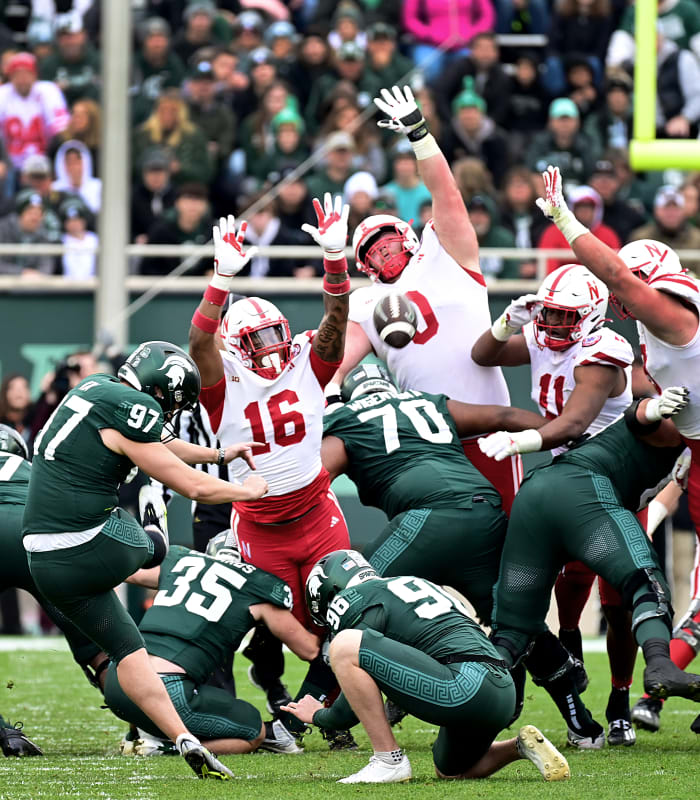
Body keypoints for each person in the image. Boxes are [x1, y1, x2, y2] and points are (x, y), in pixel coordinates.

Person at [22, 340, 268, 780]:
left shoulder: (97, 388)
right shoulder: (133, 408)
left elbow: (165, 444)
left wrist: (217, 455)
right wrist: (246, 491)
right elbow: (195, 488)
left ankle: (181, 738)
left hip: (43, 562)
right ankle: (154, 535)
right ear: (162, 390)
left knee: (129, 651)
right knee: (152, 544)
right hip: (86, 542)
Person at [536, 162, 700, 734]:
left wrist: (564, 219)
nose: (621, 301)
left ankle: (642, 695)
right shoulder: (652, 334)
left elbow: (619, 278)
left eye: (628, 288)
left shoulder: (675, 318)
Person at [188, 197, 356, 749]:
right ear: (235, 346)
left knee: (342, 617)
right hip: (259, 524)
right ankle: (271, 707)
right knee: (287, 630)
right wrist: (221, 280)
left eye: (275, 335)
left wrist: (335, 256)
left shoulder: (306, 357)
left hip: (317, 510)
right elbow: (198, 341)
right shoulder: (222, 382)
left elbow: (336, 319)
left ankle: (327, 716)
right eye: (257, 341)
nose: (271, 349)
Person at [473, 263, 639, 746]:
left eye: (566, 318)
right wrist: (508, 319)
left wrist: (522, 441)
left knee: (620, 599)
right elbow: (482, 354)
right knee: (530, 585)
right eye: (550, 314)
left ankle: (621, 702)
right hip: (564, 474)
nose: (552, 326)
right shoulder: (546, 337)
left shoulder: (601, 351)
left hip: (614, 478)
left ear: (591, 318)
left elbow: (572, 422)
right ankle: (562, 659)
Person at [329, 84, 517, 514]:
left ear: (408, 235)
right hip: (431, 438)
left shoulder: (445, 250)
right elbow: (337, 360)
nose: (383, 252)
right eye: (372, 251)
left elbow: (446, 192)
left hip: (489, 423)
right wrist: (333, 391)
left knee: (507, 534)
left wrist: (418, 133)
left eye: (387, 241)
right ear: (365, 265)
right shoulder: (365, 302)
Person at [487, 394, 700, 735]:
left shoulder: (688, 448)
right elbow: (641, 414)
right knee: (644, 584)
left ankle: (472, 690)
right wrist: (655, 407)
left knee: (513, 626)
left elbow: (663, 499)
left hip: (537, 494)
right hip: (584, 495)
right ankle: (660, 663)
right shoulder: (678, 424)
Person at [282, 549, 570, 785]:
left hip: (462, 685)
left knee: (345, 645)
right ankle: (519, 747)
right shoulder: (411, 585)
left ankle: (387, 760)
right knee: (451, 771)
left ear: (332, 588)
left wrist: (320, 715)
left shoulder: (353, 599)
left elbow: (347, 705)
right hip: (500, 688)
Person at [322, 363, 546, 624]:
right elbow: (504, 417)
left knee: (353, 596)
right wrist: (565, 433)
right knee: (513, 625)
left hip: (428, 518)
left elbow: (312, 480)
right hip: (484, 512)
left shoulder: (346, 417)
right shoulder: (427, 401)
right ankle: (560, 665)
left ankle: (324, 665)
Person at [104, 537, 319, 757]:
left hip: (117, 680)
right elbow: (309, 650)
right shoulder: (257, 587)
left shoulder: (181, 562)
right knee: (254, 731)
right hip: (167, 691)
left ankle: (137, 734)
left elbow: (125, 573)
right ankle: (165, 747)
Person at [0, 51, 69, 174]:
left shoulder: (48, 91)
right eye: (17, 74)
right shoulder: (3, 94)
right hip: (11, 165)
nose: (22, 79)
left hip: (45, 163)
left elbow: (61, 130)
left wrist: (49, 159)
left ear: (35, 75)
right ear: (10, 77)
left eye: (26, 74)